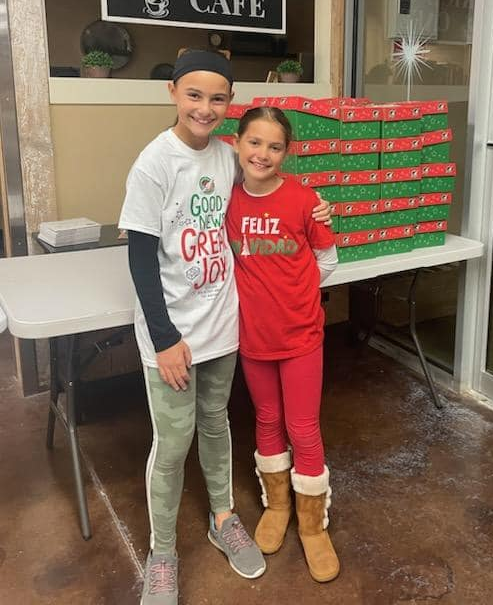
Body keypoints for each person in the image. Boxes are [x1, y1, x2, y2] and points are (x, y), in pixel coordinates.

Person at [118, 51, 331, 604]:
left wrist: (316, 208)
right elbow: (139, 258)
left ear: (229, 104)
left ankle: (222, 517)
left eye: (217, 98)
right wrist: (164, 339)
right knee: (173, 444)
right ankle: (162, 552)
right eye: (194, 95)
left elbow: (269, 178)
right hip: (173, 336)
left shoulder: (226, 155)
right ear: (173, 93)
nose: (205, 108)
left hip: (223, 326)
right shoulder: (153, 164)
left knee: (216, 424)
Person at [225, 106, 341, 583]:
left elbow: (327, 260)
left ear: (286, 153)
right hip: (253, 338)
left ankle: (312, 525)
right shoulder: (227, 199)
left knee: (303, 425)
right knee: (267, 418)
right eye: (254, 143)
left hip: (301, 336)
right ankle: (277, 505)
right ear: (237, 143)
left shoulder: (303, 200)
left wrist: (295, 298)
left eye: (274, 147)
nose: (263, 154)